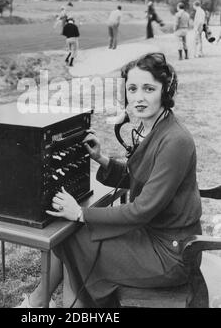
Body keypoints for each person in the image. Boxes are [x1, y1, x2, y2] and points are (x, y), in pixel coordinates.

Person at [17, 52, 202, 308]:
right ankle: (43, 302)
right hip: (151, 237)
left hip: (171, 254)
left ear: (165, 91)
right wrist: (102, 159)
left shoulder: (175, 140)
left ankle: (46, 304)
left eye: (149, 88)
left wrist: (81, 213)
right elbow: (142, 176)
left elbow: (141, 210)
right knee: (71, 237)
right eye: (132, 88)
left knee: (73, 238)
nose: (139, 97)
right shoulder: (156, 127)